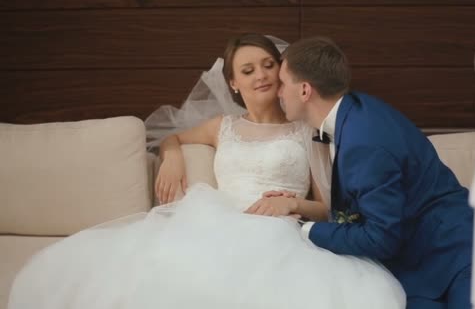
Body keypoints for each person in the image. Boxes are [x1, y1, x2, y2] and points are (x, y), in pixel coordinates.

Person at [8, 33, 405, 309]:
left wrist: (291, 204)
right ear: (233, 83)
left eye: (269, 65)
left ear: (283, 72)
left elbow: (329, 207)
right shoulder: (221, 127)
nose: (261, 75)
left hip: (280, 232)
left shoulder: (305, 130)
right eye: (247, 70)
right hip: (217, 221)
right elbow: (170, 137)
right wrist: (173, 154)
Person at [277, 36, 475, 308]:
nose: (278, 93)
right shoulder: (355, 111)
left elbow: (381, 238)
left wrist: (306, 230)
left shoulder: (364, 141)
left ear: (304, 90)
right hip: (418, 265)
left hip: (471, 255)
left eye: (283, 83)